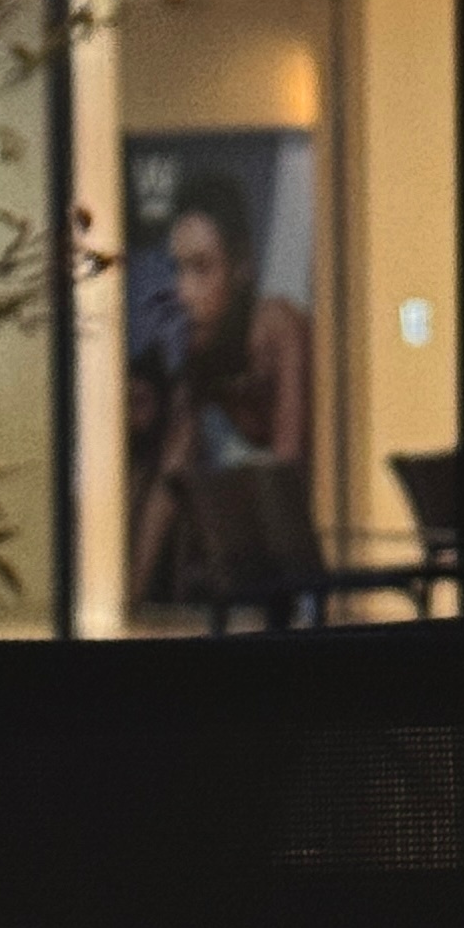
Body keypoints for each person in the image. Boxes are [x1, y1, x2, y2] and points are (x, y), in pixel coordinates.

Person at [131, 170, 311, 603]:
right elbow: (169, 481)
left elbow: (288, 471)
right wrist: (130, 596)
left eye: (201, 268)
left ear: (241, 266)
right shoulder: (203, 355)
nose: (183, 291)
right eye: (178, 269)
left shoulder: (278, 327)